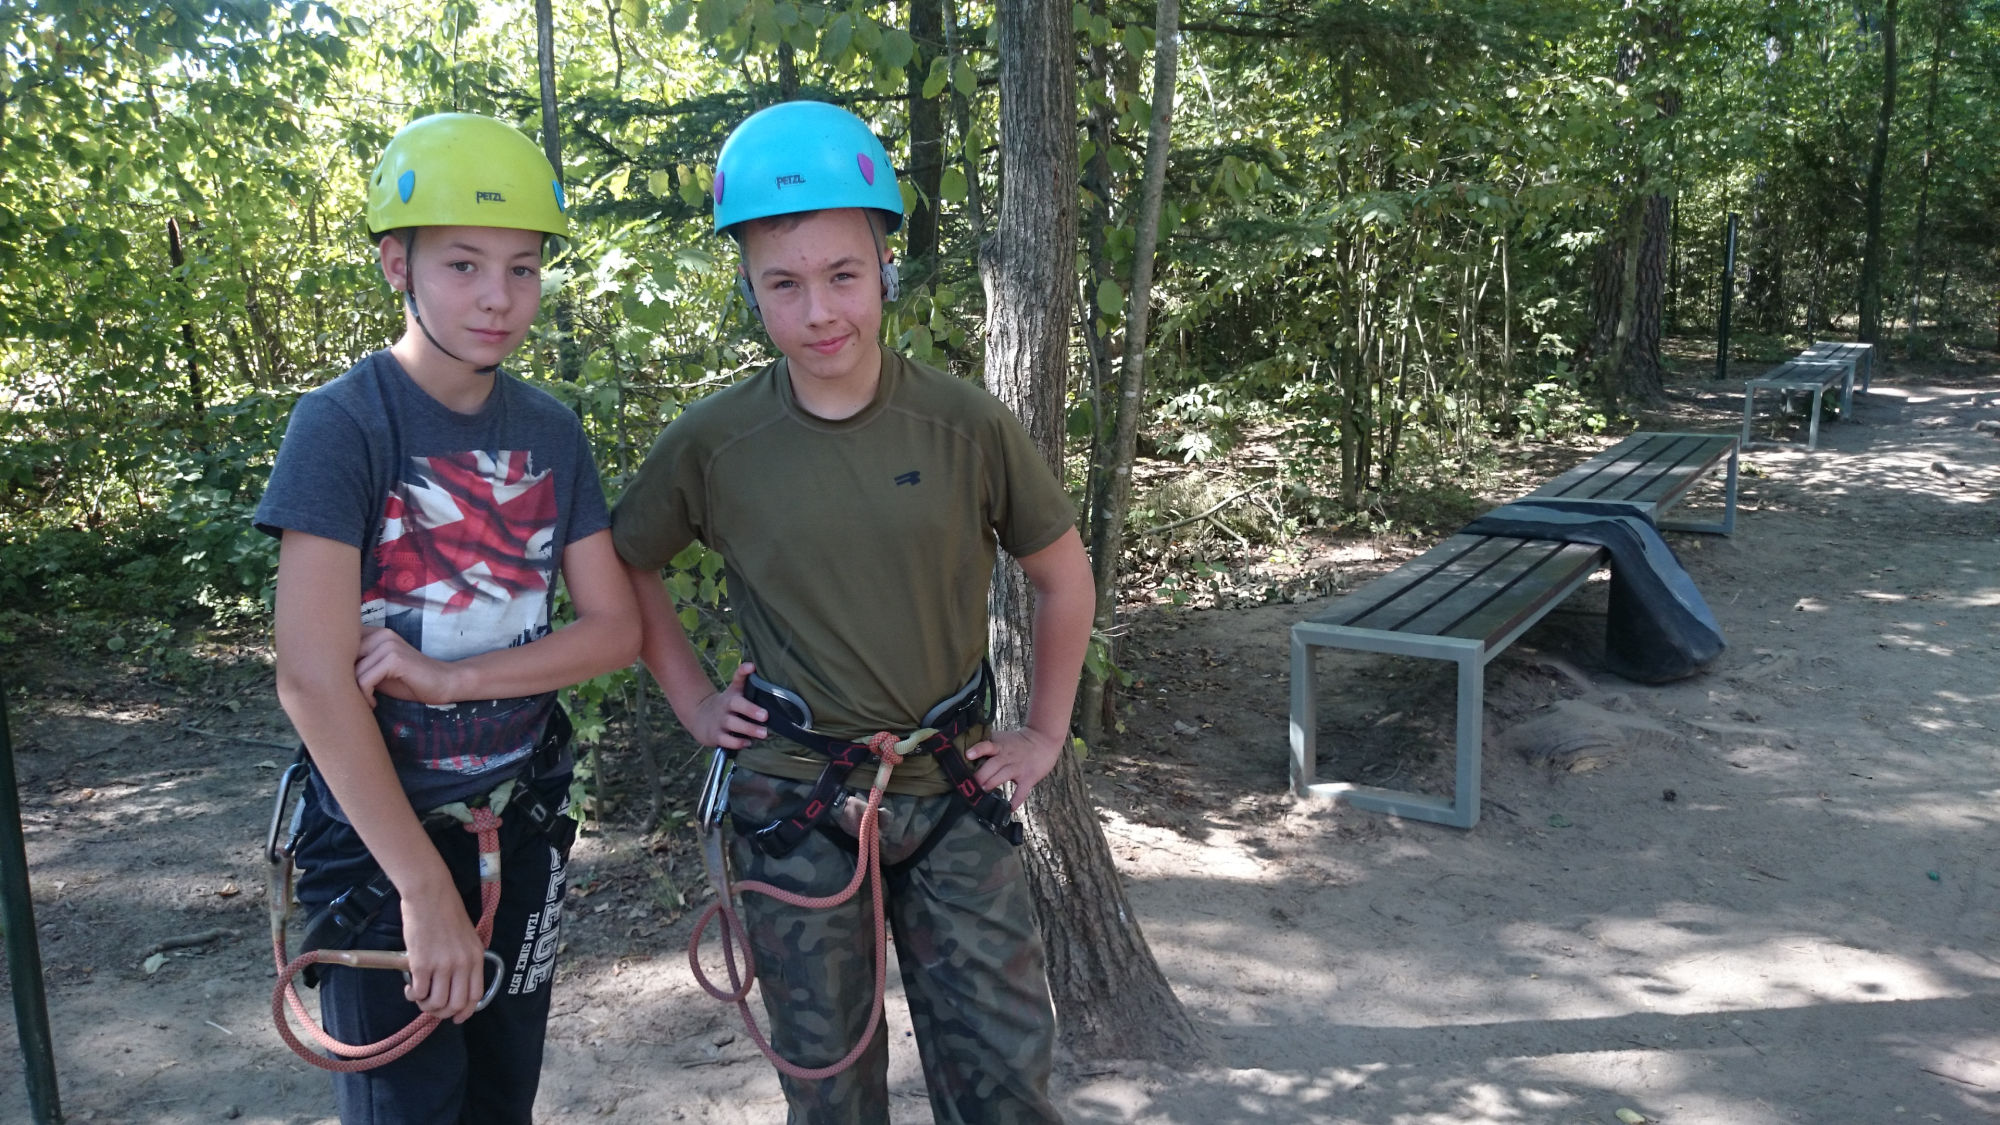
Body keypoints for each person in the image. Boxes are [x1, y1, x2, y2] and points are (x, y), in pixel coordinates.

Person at [611, 99, 1094, 1124]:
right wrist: (695, 702)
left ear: (885, 267)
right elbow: (626, 565)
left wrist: (1045, 732)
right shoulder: (716, 444)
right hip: (796, 798)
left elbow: (1063, 575)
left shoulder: (963, 424)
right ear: (748, 289)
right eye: (783, 285)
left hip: (952, 786)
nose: (819, 311)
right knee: (829, 1094)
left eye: (842, 275)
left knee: (1005, 1084)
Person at [254, 112, 638, 1123]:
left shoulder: (550, 432)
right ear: (398, 264)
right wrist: (422, 889)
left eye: (522, 268)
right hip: (382, 847)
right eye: (463, 265)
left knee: (501, 1100)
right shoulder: (344, 426)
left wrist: (453, 678)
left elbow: (613, 629)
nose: (498, 297)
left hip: (517, 823)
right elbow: (310, 676)